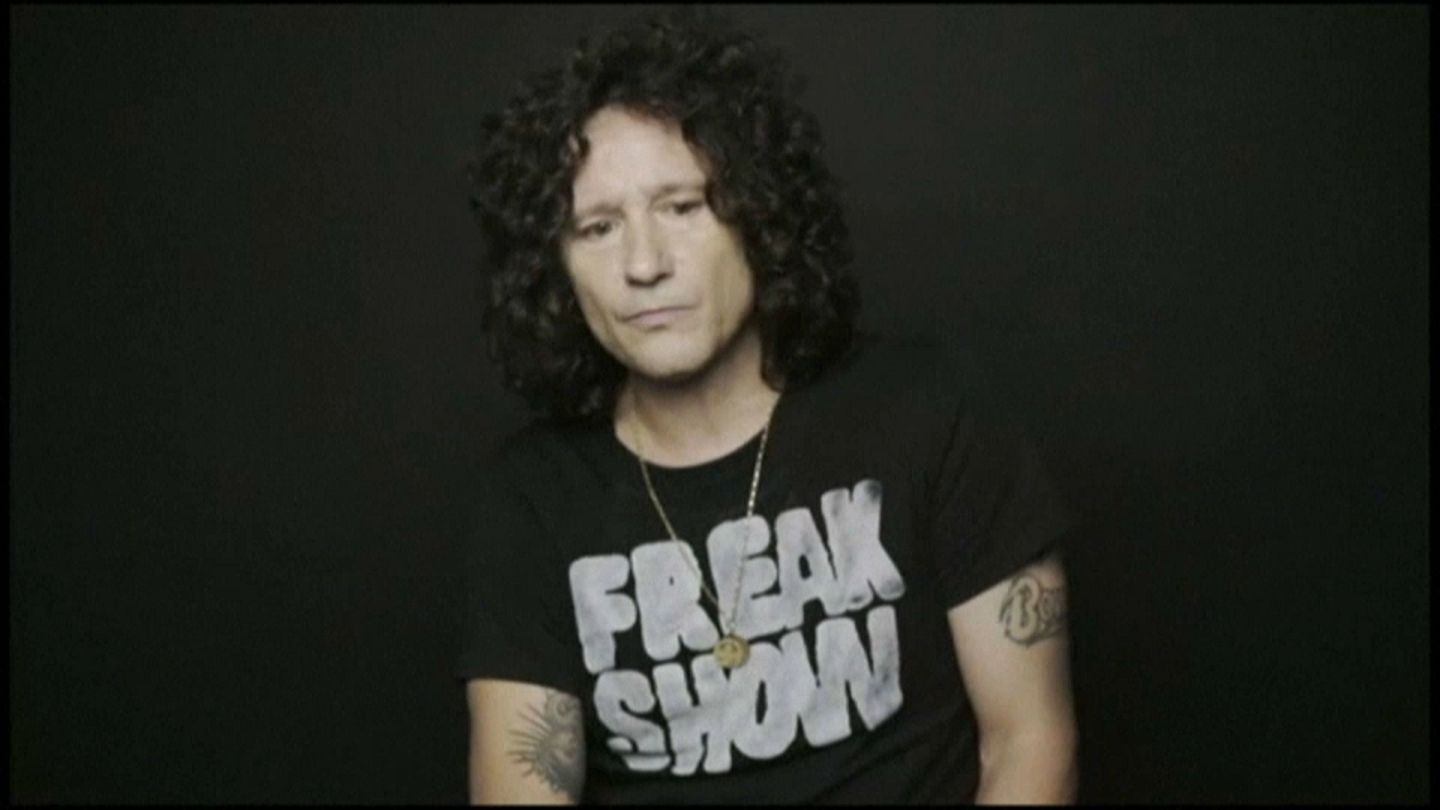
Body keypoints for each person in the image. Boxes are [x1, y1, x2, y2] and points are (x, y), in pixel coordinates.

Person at [457, 10, 1078, 804]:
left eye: (683, 207)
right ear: (558, 267)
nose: (644, 264)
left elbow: (1029, 743)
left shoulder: (926, 409)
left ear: (758, 214)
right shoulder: (532, 499)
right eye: (598, 227)